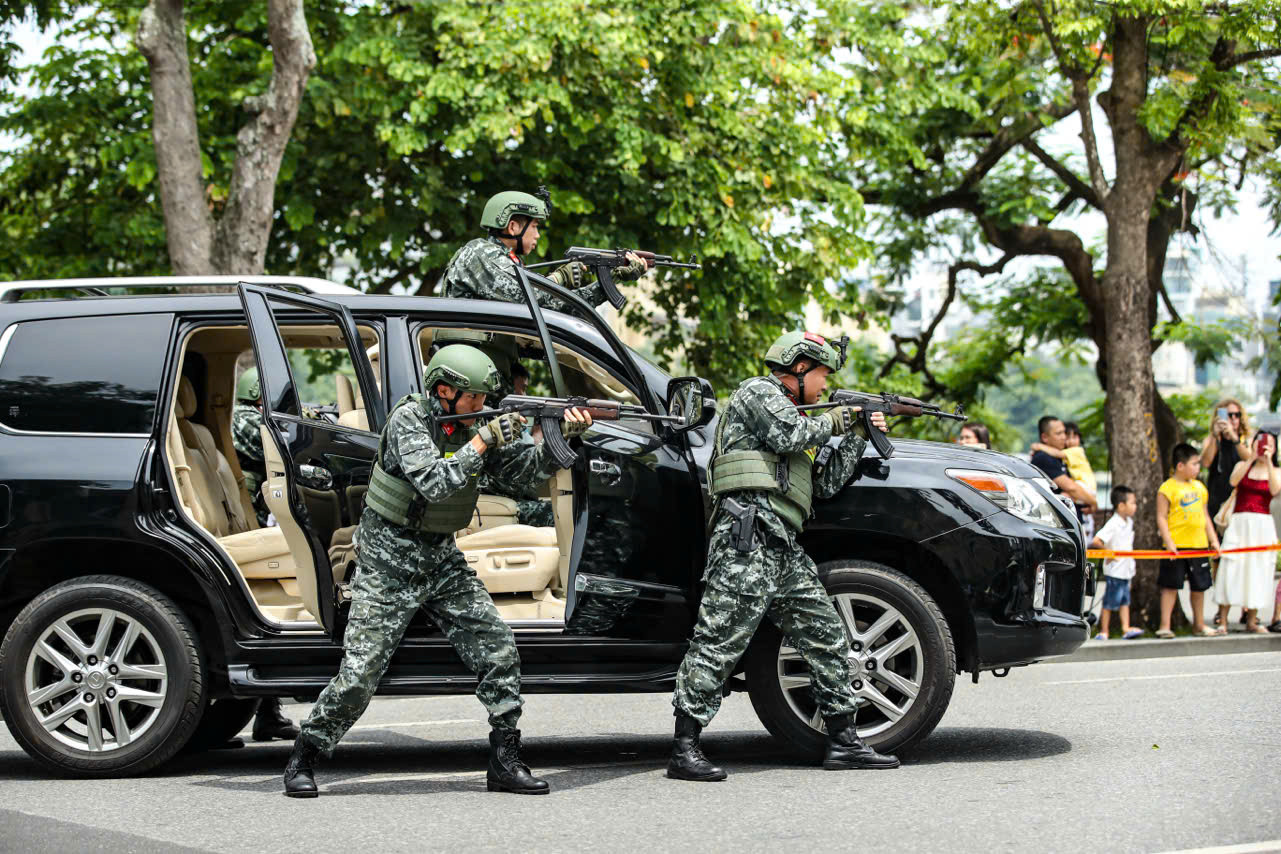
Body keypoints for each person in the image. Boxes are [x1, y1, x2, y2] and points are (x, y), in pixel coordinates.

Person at [281, 345, 592, 798]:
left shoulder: (473, 425)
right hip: (388, 562)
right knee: (361, 672)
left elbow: (524, 477)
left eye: (486, 400)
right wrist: (485, 438)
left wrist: (564, 435)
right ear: (444, 391)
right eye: (474, 399)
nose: (482, 407)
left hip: (439, 558)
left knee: (499, 648)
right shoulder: (411, 420)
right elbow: (434, 481)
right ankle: (305, 754)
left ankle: (505, 760)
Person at [666, 330, 899, 782]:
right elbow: (791, 434)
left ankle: (844, 741)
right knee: (718, 643)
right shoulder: (759, 393)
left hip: (784, 548)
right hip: (746, 539)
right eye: (823, 376)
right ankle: (684, 746)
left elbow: (826, 485)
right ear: (798, 368)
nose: (826, 387)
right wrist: (839, 417)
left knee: (828, 635)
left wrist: (858, 433)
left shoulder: (803, 415)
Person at [438, 190, 648, 315]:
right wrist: (561, 277)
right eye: (535, 226)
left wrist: (614, 278)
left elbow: (560, 308)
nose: (538, 235)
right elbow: (527, 297)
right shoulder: (480, 254)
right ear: (513, 227)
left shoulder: (507, 264)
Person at [1213, 431, 1280, 634]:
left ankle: (1252, 619)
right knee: (1231, 568)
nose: (1264, 447)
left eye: (1269, 444)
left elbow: (1275, 491)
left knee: (1258, 570)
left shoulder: (1275, 470)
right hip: (1240, 522)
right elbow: (1233, 481)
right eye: (1261, 443)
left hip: (1262, 524)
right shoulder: (1242, 466)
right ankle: (1222, 619)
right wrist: (1251, 458)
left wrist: (1267, 462)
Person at [1155, 443, 1222, 639]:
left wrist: (1214, 540)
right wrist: (1169, 542)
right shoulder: (1167, 488)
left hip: (1199, 545)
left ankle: (1199, 625)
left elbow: (1206, 516)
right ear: (1180, 465)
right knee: (1170, 586)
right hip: (1175, 546)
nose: (1198, 468)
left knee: (1199, 586)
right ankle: (1165, 625)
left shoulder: (1200, 487)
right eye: (1194, 464)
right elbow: (1161, 517)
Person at [1089, 486, 1143, 640]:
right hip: (1115, 569)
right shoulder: (1113, 523)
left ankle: (1126, 628)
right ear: (1121, 505)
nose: (1135, 506)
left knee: (1125, 600)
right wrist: (1109, 552)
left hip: (1126, 568)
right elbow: (1097, 540)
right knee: (1110, 601)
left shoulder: (1129, 522)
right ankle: (1104, 631)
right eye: (1132, 503)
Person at [1031, 421, 1098, 537]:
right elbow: (1072, 488)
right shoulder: (1043, 457)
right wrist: (1093, 502)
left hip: (1071, 522)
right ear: (1044, 437)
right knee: (1066, 494)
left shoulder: (1070, 453)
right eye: (1059, 433)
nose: (1064, 437)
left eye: (1064, 433)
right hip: (1057, 526)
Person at [1201, 398, 1254, 521]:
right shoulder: (1211, 440)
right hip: (1216, 496)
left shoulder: (1245, 440)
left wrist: (1234, 437)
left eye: (1237, 415)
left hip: (1240, 496)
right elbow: (1205, 462)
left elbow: (1250, 459)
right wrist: (1216, 436)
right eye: (1229, 415)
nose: (1234, 419)